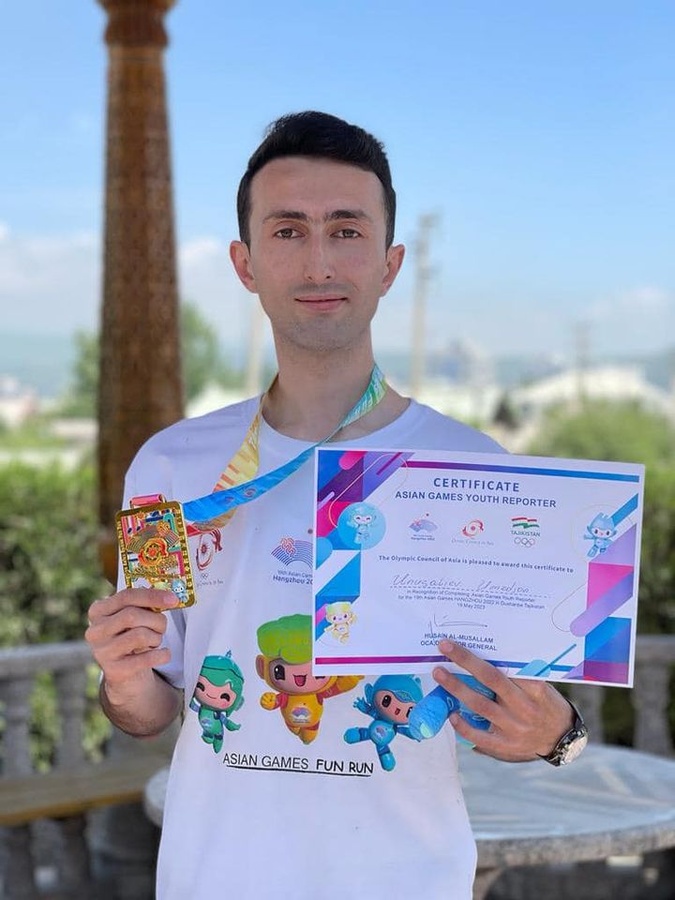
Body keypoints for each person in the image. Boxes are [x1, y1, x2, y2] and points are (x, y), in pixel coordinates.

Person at [86, 111, 583, 899]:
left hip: (407, 879)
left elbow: (523, 708)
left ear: (389, 264)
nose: (319, 262)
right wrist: (121, 677)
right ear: (245, 264)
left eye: (345, 230)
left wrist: (558, 736)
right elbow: (150, 709)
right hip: (214, 878)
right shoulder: (169, 467)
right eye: (288, 231)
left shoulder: (476, 471)